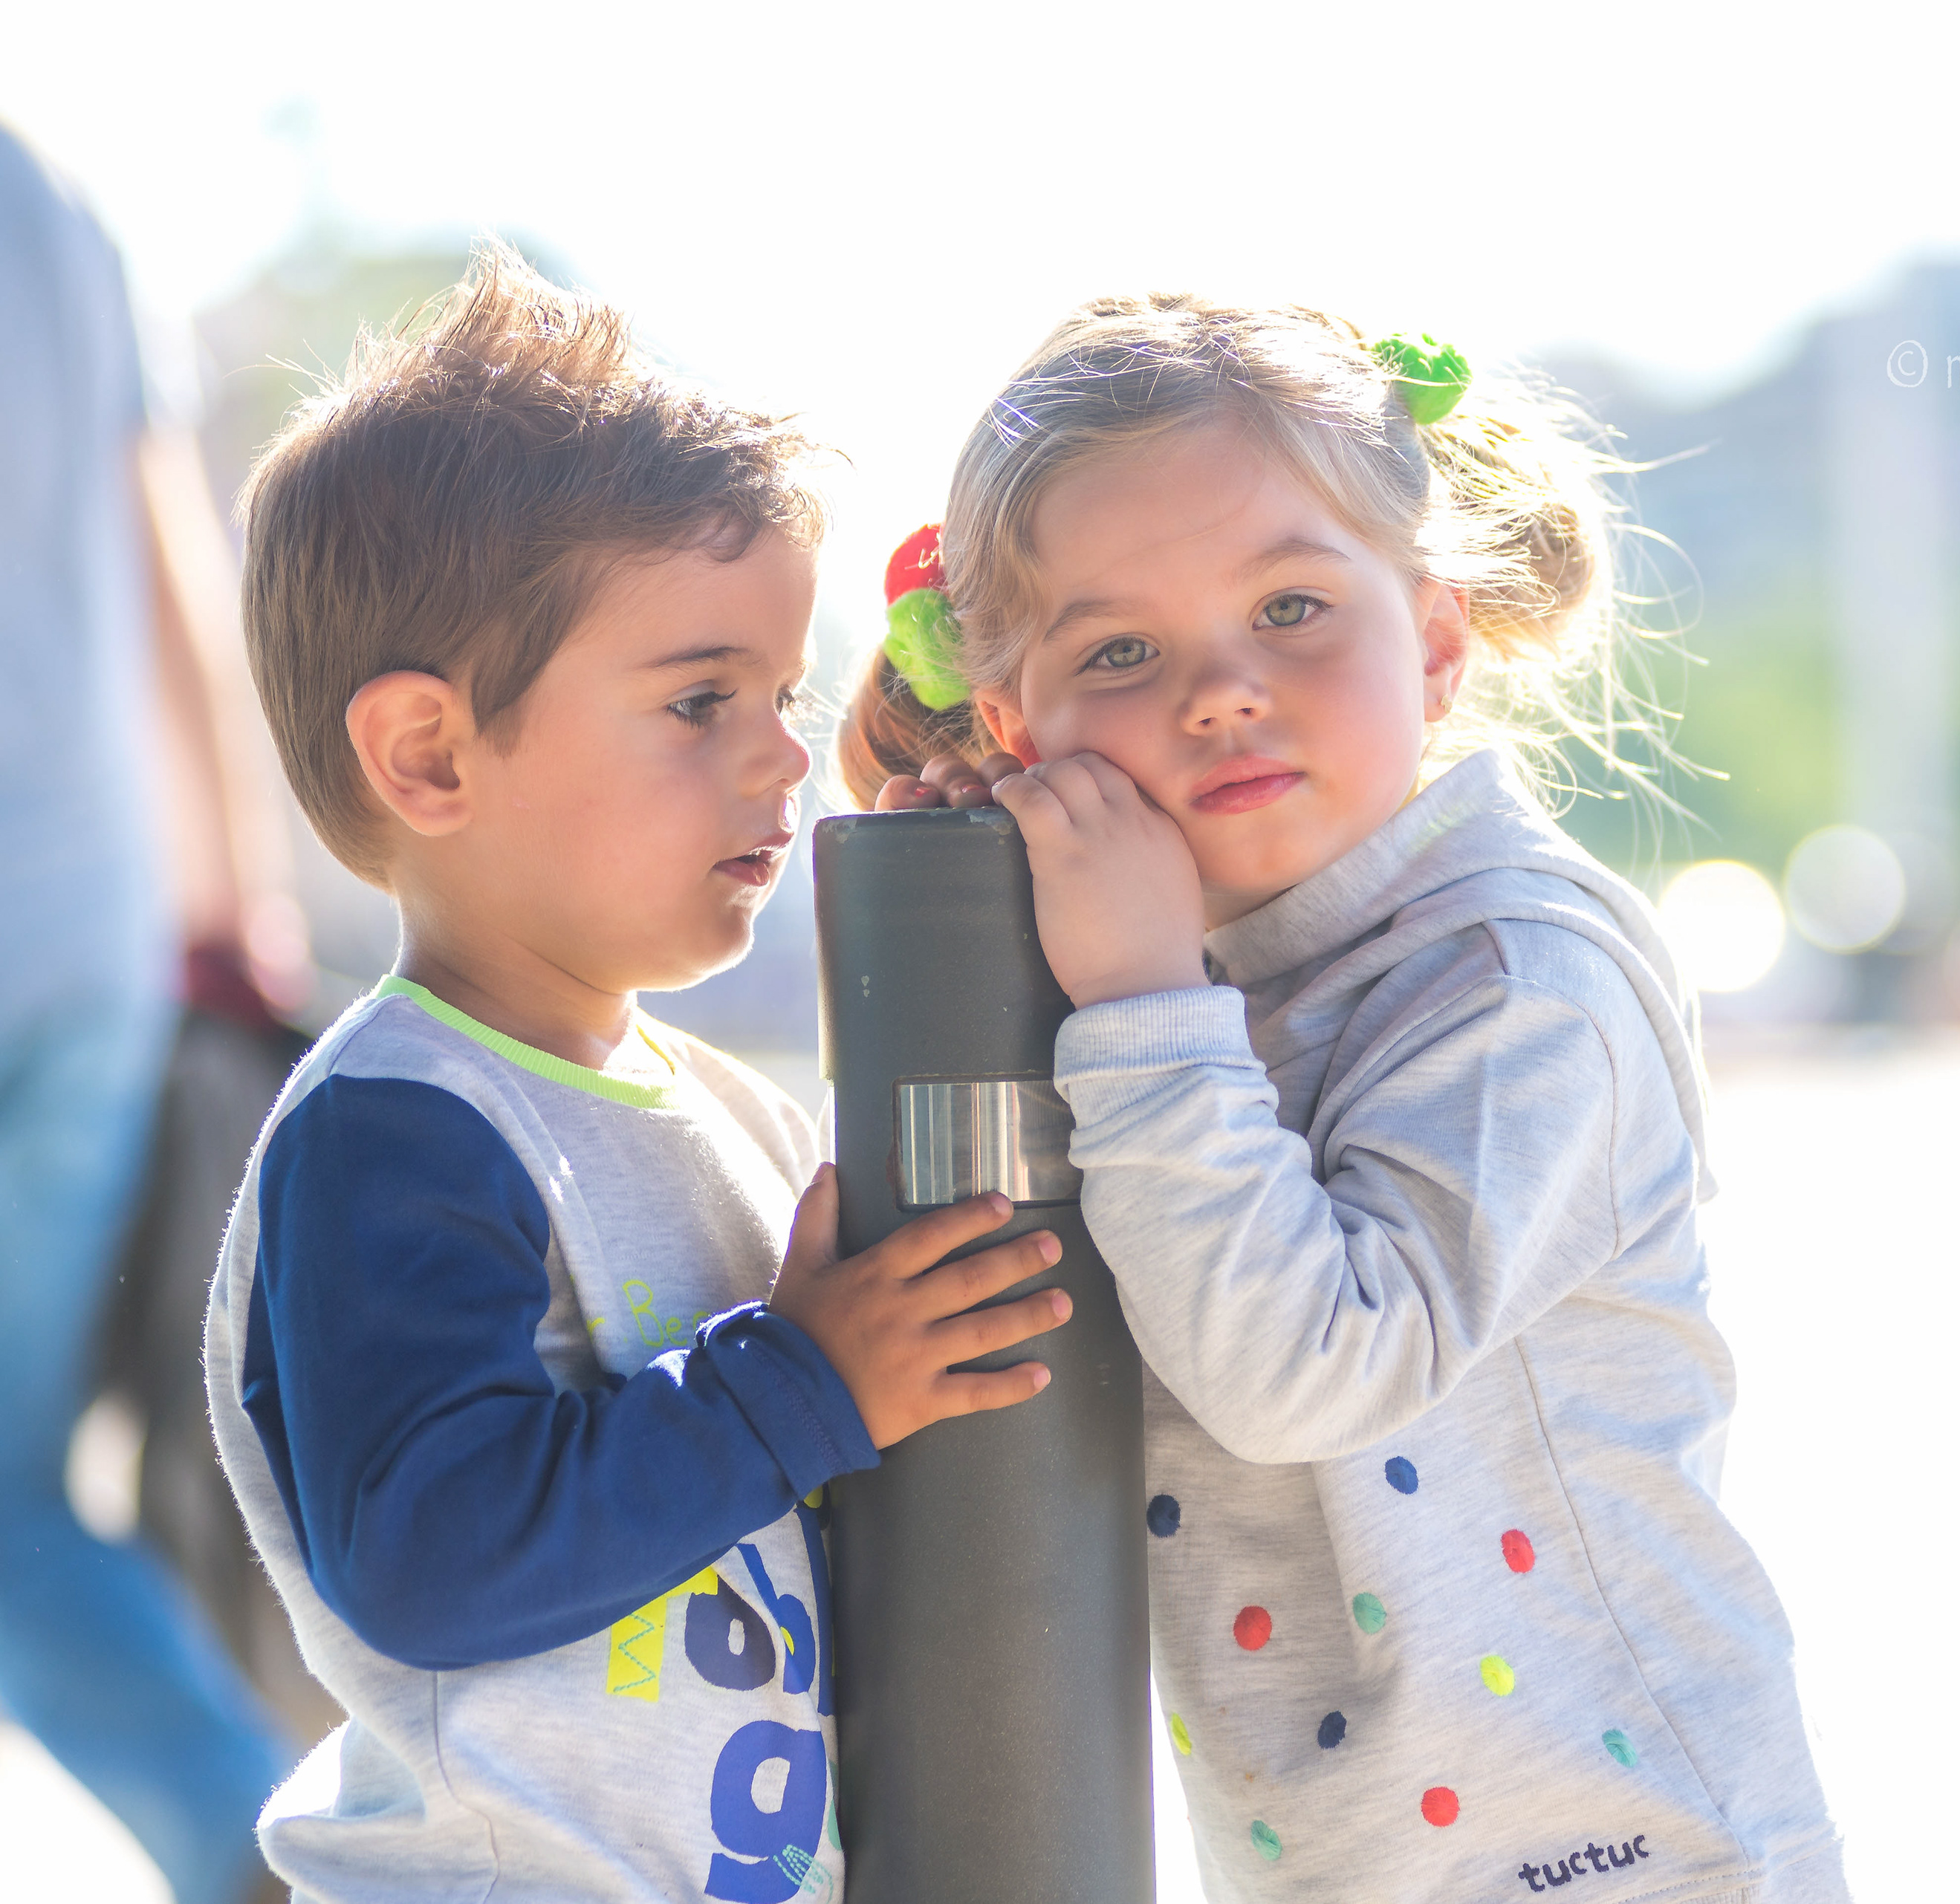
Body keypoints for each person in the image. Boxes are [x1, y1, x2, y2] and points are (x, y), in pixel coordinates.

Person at [845, 296, 1848, 1903]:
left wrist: (1142, 1001)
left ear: (1436, 645)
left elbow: (1309, 1367)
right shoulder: (1164, 985)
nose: (1221, 691)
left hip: (1628, 1862)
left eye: (1292, 607)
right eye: (1121, 653)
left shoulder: (1520, 976)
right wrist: (993, 927)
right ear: (1023, 728)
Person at [204, 244, 1074, 1900]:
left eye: (782, 692)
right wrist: (802, 1383)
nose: (781, 752)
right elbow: (432, 1555)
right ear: (430, 754)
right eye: (697, 700)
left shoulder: (733, 1114)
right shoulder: (402, 1129)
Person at [0, 120, 302, 1904]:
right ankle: (259, 1843)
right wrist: (231, 900)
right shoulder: (49, 201)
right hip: (93, 927)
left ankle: (249, 1839)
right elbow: (168, 561)